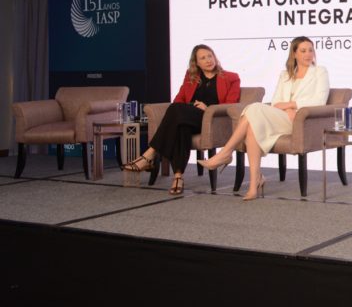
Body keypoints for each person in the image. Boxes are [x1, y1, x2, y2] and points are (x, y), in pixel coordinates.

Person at [201, 36, 329, 201]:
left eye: (310, 50)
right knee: (252, 126)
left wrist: (291, 105)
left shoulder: (320, 72)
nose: (308, 54)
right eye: (303, 51)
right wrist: (287, 108)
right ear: (294, 54)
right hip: (282, 117)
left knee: (254, 109)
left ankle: (226, 152)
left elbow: (319, 100)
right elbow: (275, 102)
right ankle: (254, 183)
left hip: (300, 121)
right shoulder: (285, 74)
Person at [124, 44, 240, 195]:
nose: (208, 60)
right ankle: (178, 177)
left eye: (210, 56)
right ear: (196, 63)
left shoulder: (231, 77)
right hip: (189, 118)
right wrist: (189, 108)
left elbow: (231, 105)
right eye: (203, 58)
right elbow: (179, 100)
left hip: (211, 120)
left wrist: (207, 107)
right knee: (181, 126)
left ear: (215, 57)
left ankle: (150, 154)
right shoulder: (191, 77)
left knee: (177, 111)